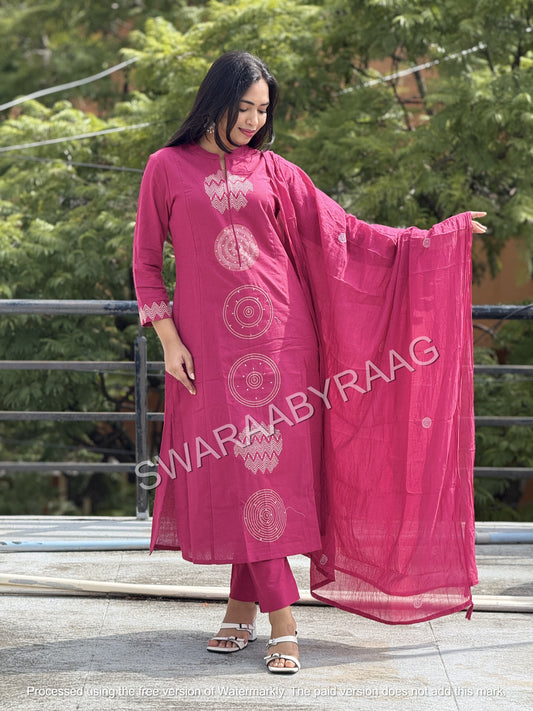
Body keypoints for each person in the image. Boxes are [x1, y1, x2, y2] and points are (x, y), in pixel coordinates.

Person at [133, 51, 485, 674]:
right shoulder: (166, 167)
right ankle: (251, 610)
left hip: (282, 345)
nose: (253, 120)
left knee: (264, 480)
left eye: (262, 109)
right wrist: (168, 340)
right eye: (243, 107)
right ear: (214, 102)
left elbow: (347, 234)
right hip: (206, 351)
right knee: (238, 476)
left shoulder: (276, 171)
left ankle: (273, 620)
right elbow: (145, 262)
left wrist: (436, 239)